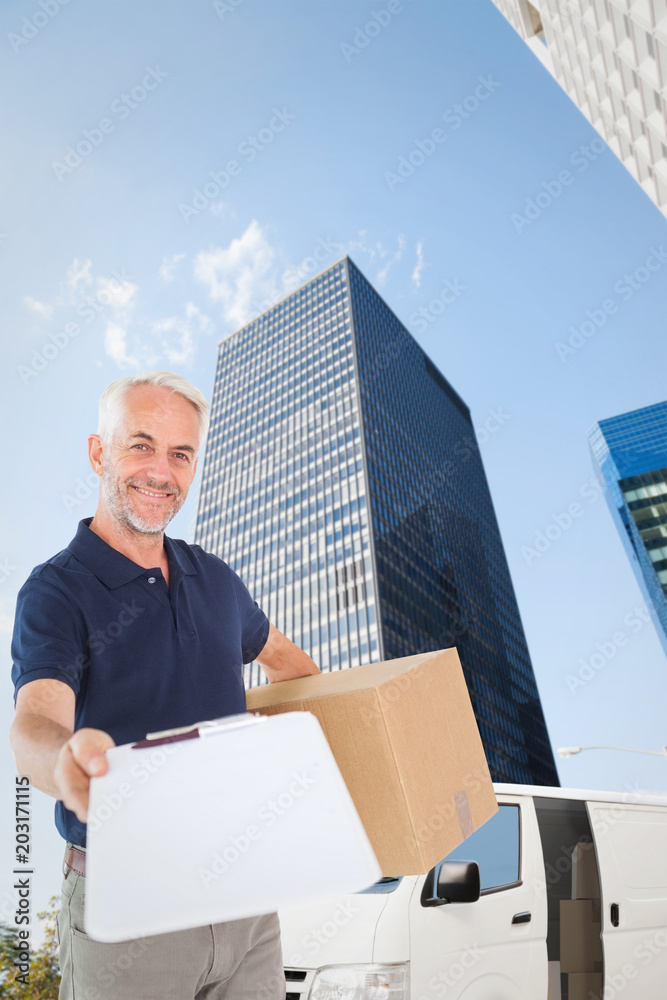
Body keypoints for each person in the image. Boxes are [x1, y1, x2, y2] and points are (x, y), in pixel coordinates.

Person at [9, 370, 320, 999]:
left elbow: (295, 669)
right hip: (129, 912)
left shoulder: (217, 580)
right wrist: (64, 762)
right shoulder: (57, 590)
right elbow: (37, 720)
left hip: (246, 902)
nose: (162, 471)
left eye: (181, 454)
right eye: (141, 445)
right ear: (99, 452)